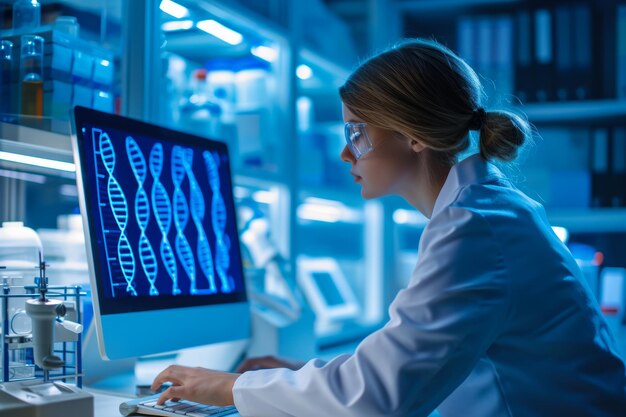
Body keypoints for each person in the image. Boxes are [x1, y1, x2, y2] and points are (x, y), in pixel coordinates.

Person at [152, 39, 626, 416]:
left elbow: (377, 399)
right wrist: (302, 378)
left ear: (413, 135)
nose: (345, 153)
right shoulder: (483, 208)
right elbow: (410, 368)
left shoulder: (474, 227)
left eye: (356, 133)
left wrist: (231, 386)